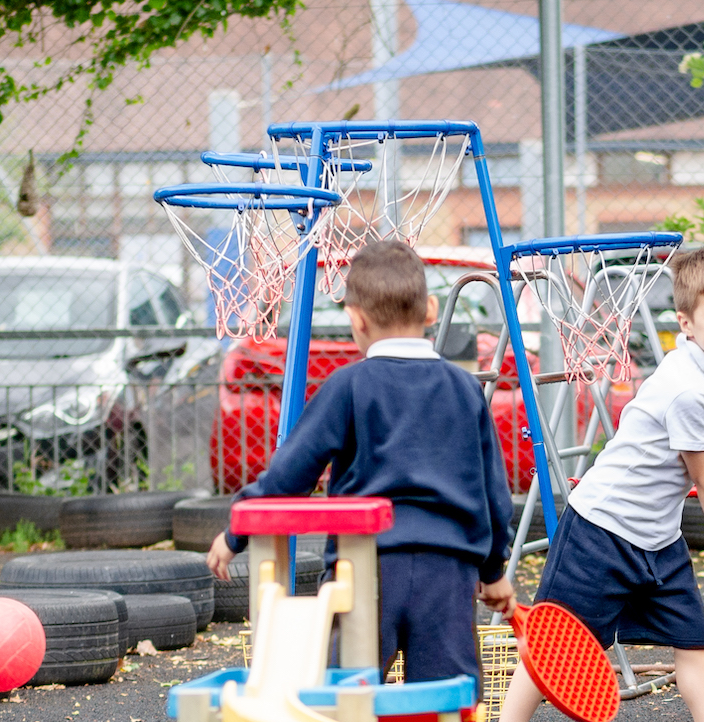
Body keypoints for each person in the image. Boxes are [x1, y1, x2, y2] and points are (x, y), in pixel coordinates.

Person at [483, 243, 704, 722]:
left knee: (692, 643)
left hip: (657, 536)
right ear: (686, 324)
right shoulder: (690, 387)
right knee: (560, 645)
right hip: (601, 531)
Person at [206, 237, 516, 688]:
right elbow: (493, 491)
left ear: (356, 319)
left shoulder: (348, 386)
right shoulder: (464, 387)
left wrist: (238, 530)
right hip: (447, 571)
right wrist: (494, 571)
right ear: (430, 311)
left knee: (343, 696)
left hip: (366, 567)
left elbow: (292, 471)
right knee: (448, 701)